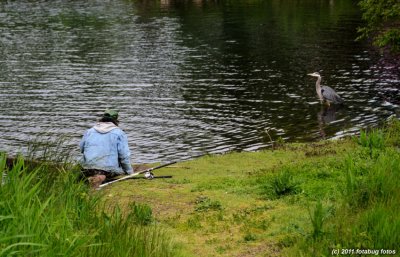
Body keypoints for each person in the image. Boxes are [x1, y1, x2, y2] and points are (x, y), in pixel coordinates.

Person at [79, 109, 133, 188]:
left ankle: (93, 177)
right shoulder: (119, 133)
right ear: (116, 120)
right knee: (117, 171)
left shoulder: (90, 131)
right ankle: (100, 178)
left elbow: (81, 149)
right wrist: (129, 172)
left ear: (102, 119)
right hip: (108, 170)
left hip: (87, 168)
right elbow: (124, 156)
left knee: (89, 169)